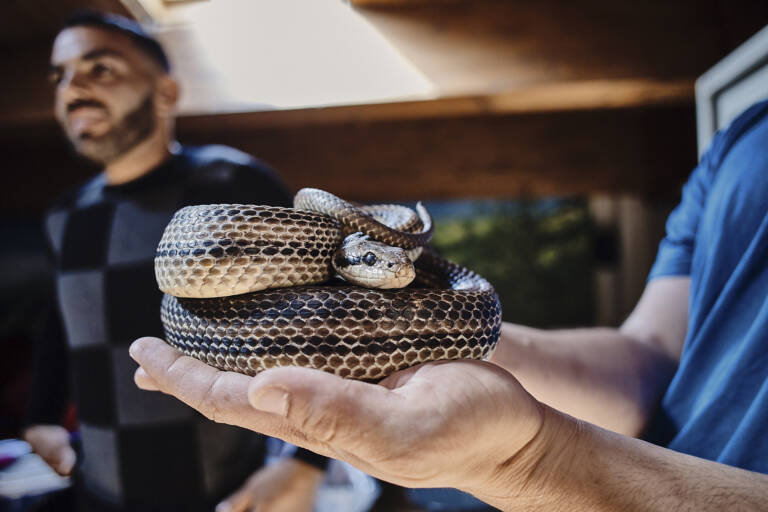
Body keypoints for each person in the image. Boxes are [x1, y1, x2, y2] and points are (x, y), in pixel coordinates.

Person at [129, 96, 768, 509]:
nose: (391, 272)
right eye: (373, 262)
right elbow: (652, 358)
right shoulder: (741, 139)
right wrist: (422, 330)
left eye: (396, 262)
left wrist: (532, 460)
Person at [22, 11, 326, 512]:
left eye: (100, 69)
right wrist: (41, 416)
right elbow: (64, 320)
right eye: (60, 74)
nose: (71, 86)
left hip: (228, 494)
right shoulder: (64, 214)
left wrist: (304, 463)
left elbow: (317, 318)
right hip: (98, 493)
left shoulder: (233, 185)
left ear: (166, 93)